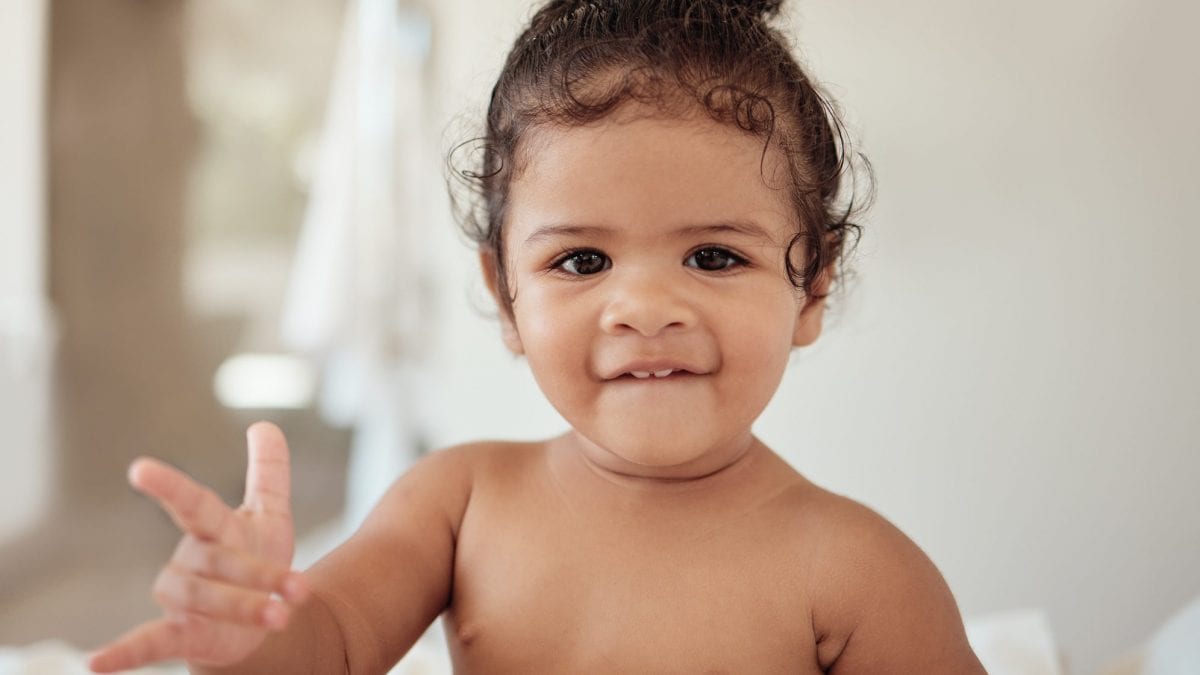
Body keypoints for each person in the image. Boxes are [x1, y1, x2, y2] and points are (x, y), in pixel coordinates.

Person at [89, 0, 985, 672]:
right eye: (582, 261)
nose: (642, 307)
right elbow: (327, 647)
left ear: (813, 285)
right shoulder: (459, 503)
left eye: (713, 255)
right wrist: (251, 630)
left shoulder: (861, 572)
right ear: (506, 294)